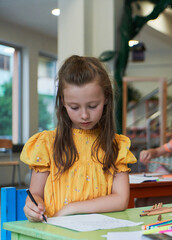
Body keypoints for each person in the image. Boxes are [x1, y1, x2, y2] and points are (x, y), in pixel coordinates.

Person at [21, 55, 137, 222]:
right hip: (55, 234)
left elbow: (121, 199)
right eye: (74, 107)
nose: (84, 115)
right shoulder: (47, 143)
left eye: (92, 106)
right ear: (63, 102)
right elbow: (35, 195)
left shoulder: (117, 145)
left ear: (105, 98)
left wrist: (72, 208)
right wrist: (32, 207)